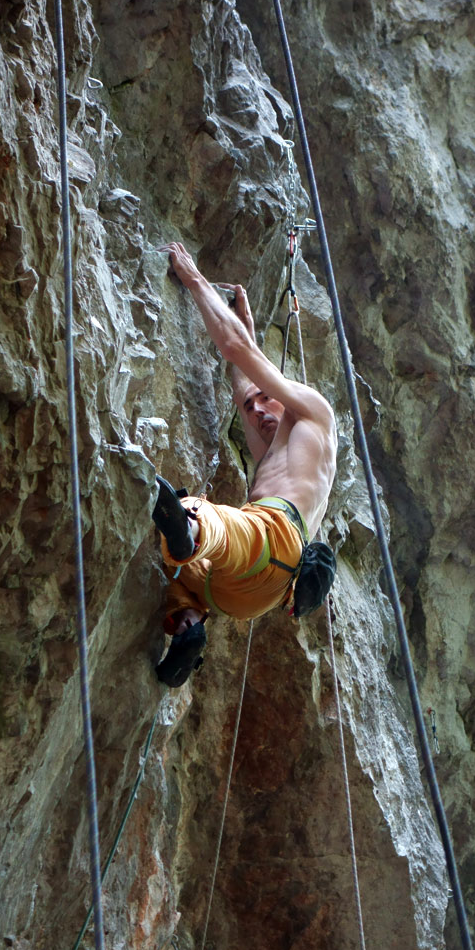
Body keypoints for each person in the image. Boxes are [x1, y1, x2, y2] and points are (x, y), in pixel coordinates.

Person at [152, 242, 337, 686]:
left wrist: (193, 277)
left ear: (284, 389)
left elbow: (238, 353)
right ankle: (188, 626)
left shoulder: (313, 413)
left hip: (273, 540)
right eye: (251, 408)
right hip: (245, 596)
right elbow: (242, 382)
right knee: (179, 578)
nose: (255, 411)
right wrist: (248, 330)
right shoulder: (278, 452)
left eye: (265, 399)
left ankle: (190, 526)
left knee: (209, 522)